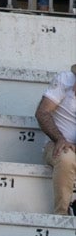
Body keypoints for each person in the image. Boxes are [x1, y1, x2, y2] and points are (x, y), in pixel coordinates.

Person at [37, 69, 76, 218]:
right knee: (66, 157)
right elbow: (42, 112)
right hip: (56, 144)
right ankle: (61, 215)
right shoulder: (64, 80)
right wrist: (60, 138)